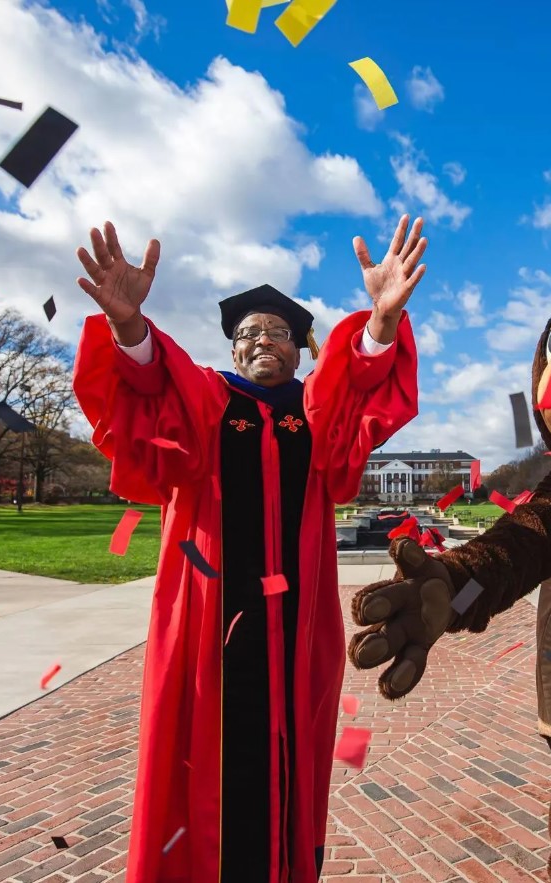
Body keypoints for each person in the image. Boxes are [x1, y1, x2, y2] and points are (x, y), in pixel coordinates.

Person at [72, 216, 425, 883]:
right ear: (233, 349)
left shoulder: (314, 415)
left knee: (289, 778)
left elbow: (356, 389)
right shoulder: (206, 400)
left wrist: (379, 326)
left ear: (300, 348)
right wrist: (130, 330)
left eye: (280, 332)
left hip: (296, 637)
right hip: (209, 632)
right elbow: (150, 385)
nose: (264, 340)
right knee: (199, 771)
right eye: (249, 333)